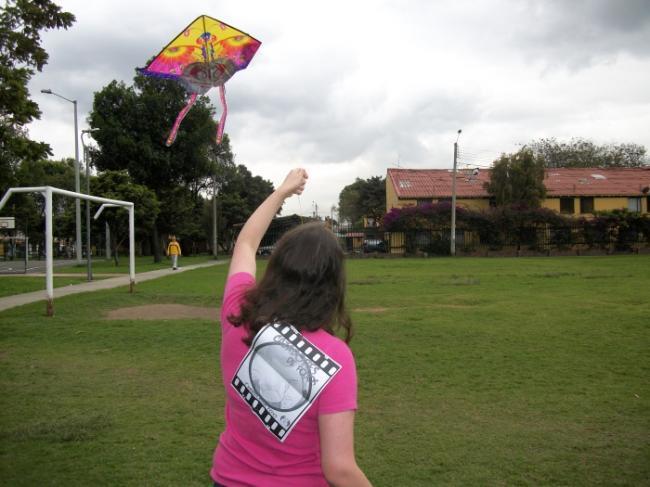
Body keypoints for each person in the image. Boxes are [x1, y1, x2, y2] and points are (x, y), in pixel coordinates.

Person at [211, 168, 372, 487]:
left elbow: (245, 243)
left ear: (277, 267)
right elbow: (339, 469)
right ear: (332, 285)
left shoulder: (238, 314)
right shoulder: (336, 359)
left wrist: (282, 191)